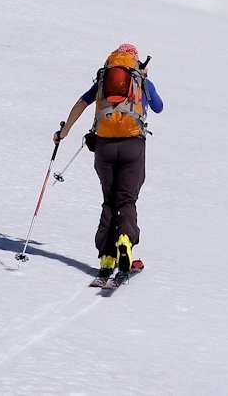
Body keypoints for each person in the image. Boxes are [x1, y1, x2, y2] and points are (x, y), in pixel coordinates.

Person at [55, 43, 163, 281]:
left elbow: (82, 103)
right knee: (126, 199)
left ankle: (106, 256)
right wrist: (144, 82)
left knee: (109, 200)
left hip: (103, 147)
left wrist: (64, 132)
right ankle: (125, 240)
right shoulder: (140, 81)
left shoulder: (103, 82)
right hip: (133, 146)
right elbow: (159, 107)